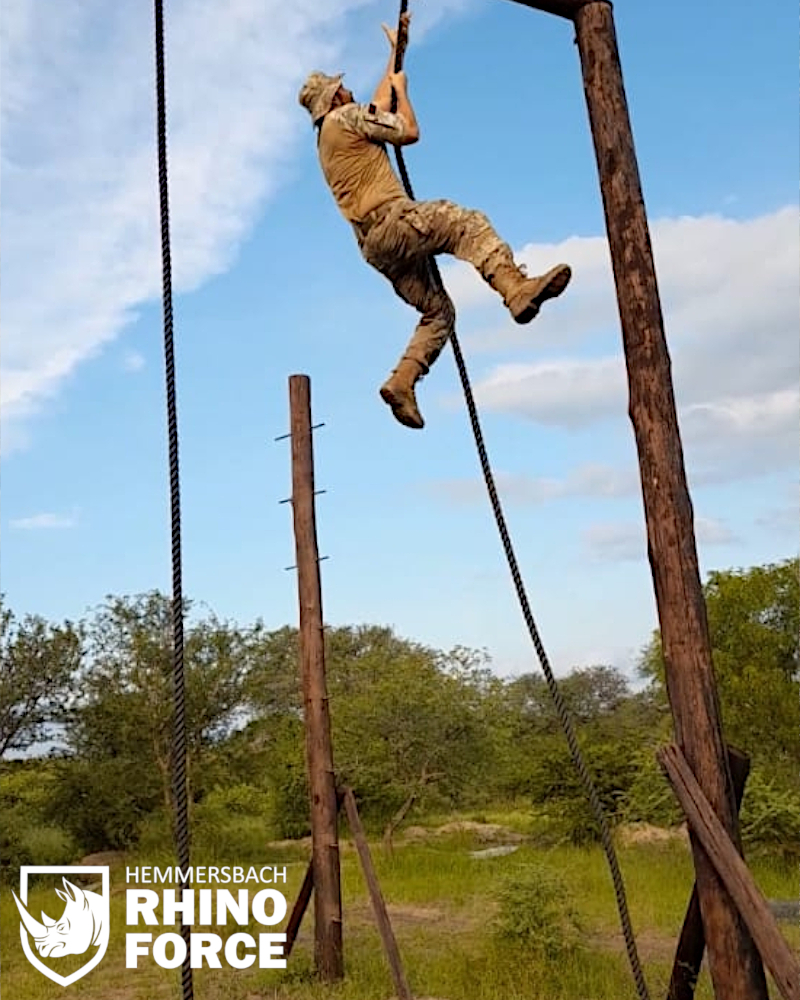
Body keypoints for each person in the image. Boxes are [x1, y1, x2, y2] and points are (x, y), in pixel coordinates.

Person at [298, 15, 572, 430]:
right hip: (394, 222)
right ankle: (514, 288)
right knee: (466, 224)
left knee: (439, 312)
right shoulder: (346, 118)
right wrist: (405, 92)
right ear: (335, 97)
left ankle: (402, 381)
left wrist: (397, 52)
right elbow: (407, 131)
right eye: (343, 87)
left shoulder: (328, 138)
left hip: (376, 248)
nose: (349, 90)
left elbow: (379, 104)